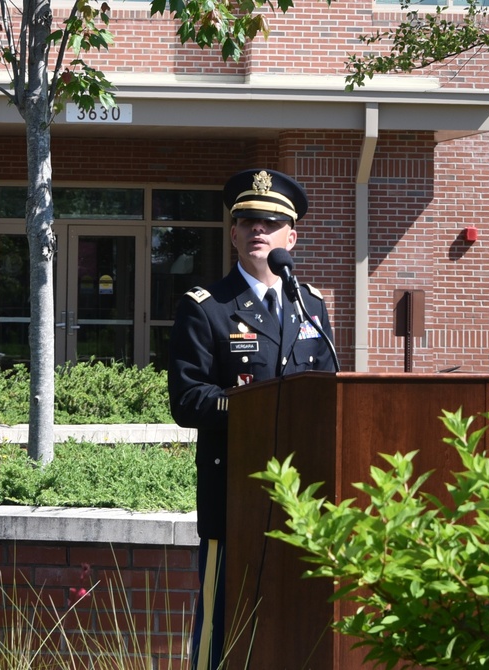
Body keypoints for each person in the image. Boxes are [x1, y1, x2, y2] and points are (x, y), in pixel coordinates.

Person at [168, 169, 336, 670]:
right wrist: (260, 408)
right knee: (222, 630)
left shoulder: (312, 307)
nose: (257, 229)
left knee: (296, 624)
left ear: (292, 236)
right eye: (246, 221)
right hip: (235, 496)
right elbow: (188, 401)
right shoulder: (207, 309)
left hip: (303, 500)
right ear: (234, 233)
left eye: (270, 221)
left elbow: (329, 390)